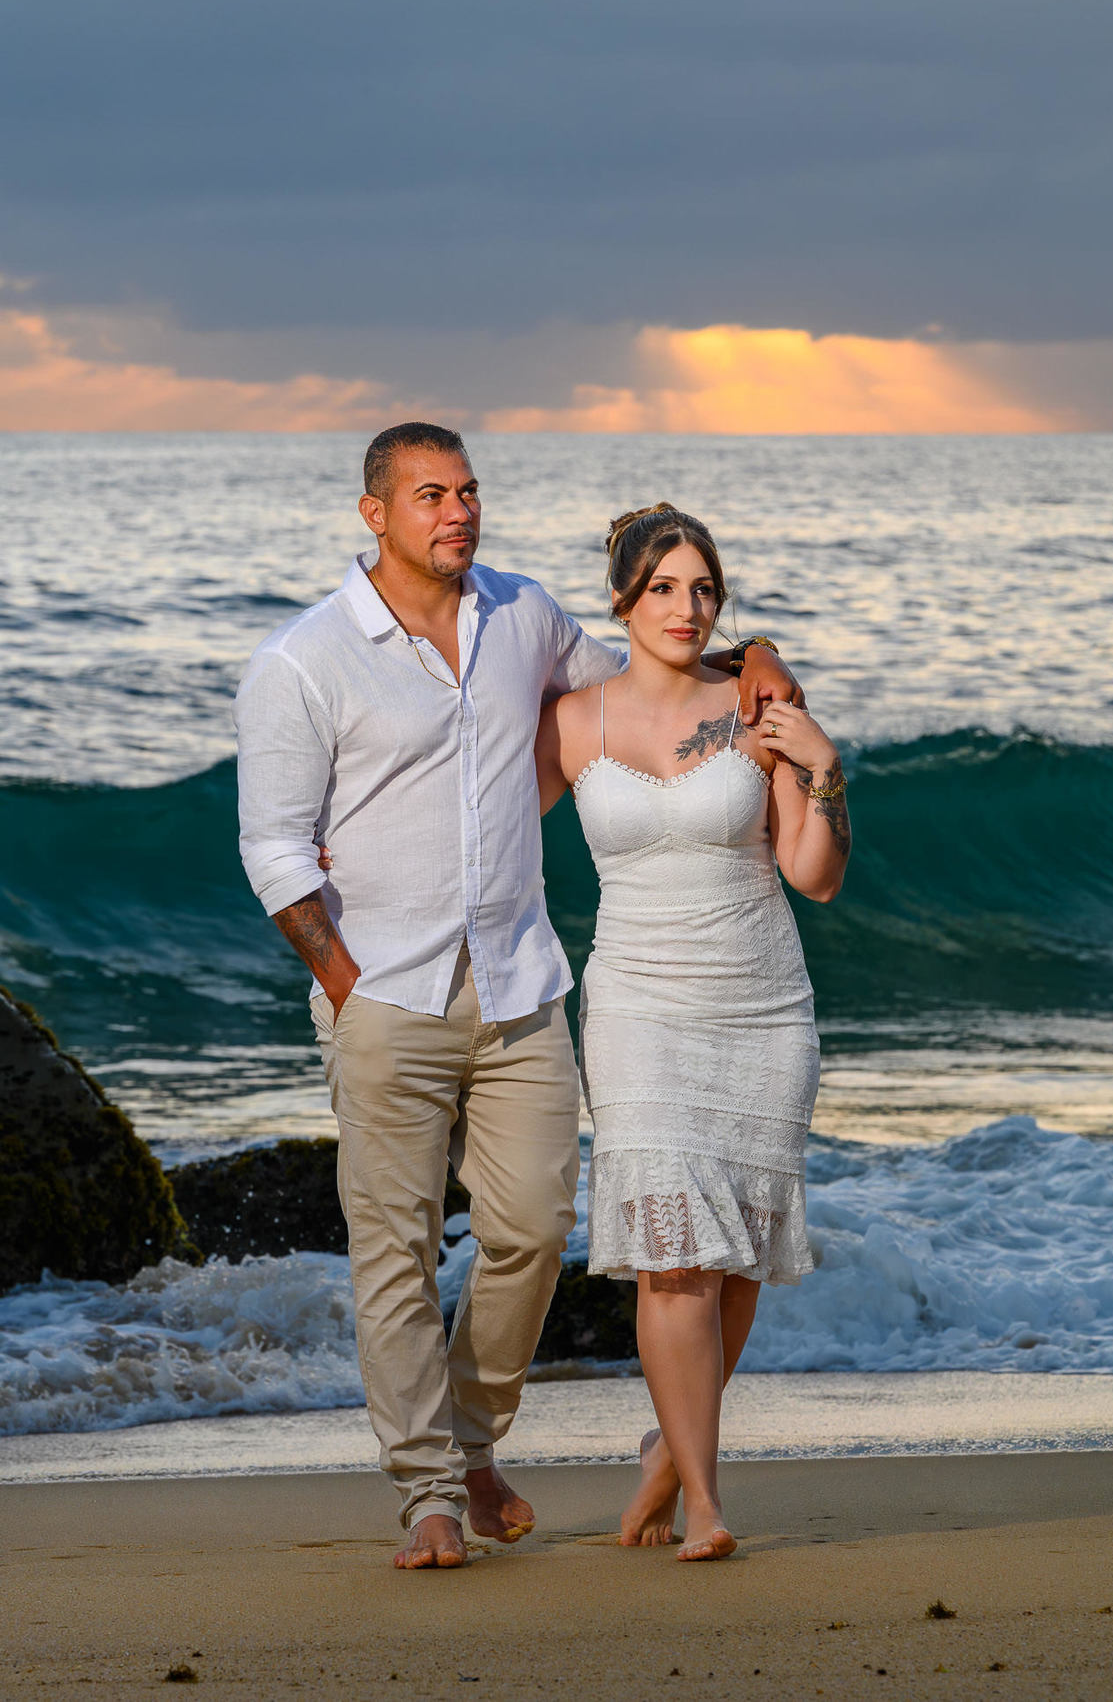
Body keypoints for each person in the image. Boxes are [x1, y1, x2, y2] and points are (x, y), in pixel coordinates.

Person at [234, 425, 796, 1570]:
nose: (458, 511)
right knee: (391, 1250)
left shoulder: (523, 618)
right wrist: (346, 984)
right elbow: (276, 854)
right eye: (431, 494)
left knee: (531, 1233)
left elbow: (650, 670)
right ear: (374, 514)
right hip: (383, 992)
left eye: (470, 492)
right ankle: (431, 1493)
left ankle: (474, 1438)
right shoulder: (303, 662)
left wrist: (761, 655)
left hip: (524, 988)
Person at [535, 502, 851, 1562]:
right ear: (622, 598)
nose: (687, 606)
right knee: (676, 1260)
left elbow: (815, 875)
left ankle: (667, 1458)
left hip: (762, 1005)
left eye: (703, 588)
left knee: (738, 1260)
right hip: (635, 1006)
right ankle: (706, 1505)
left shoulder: (758, 710)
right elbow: (478, 835)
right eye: (664, 587)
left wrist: (821, 768)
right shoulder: (572, 720)